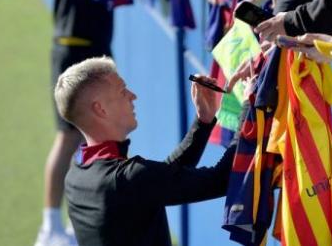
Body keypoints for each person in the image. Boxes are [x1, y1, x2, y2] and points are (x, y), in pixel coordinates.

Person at [56, 57, 237, 246]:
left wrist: (204, 122)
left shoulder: (76, 173)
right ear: (100, 109)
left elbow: (161, 181)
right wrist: (251, 105)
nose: (133, 96)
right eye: (122, 91)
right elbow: (221, 179)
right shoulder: (127, 179)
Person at [34, 0, 112, 246]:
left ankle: (83, 222)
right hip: (71, 51)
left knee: (96, 139)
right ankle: (49, 226)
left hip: (97, 50)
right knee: (67, 138)